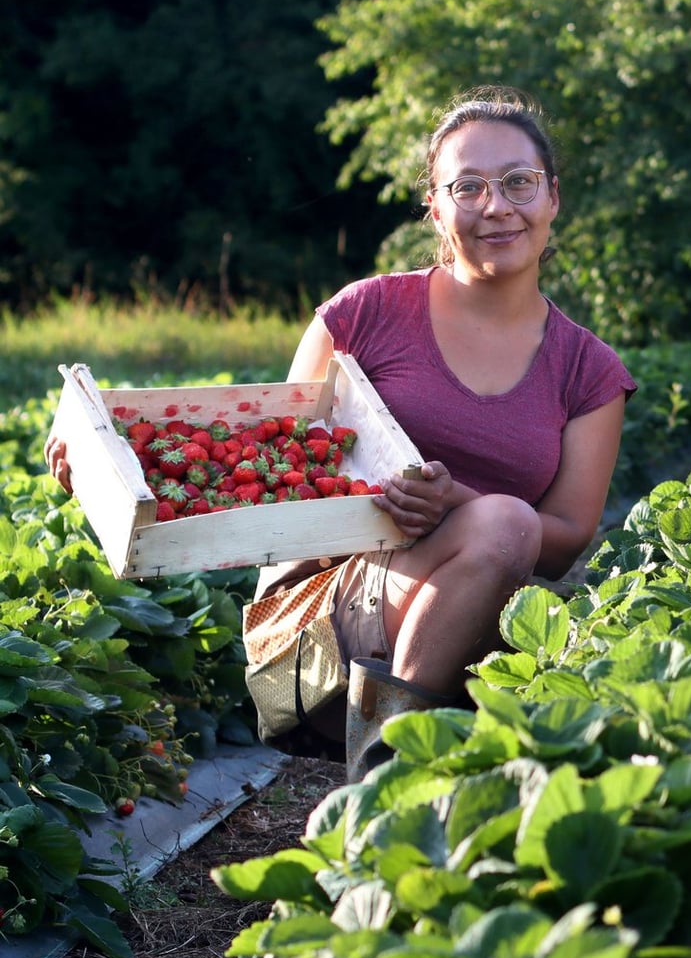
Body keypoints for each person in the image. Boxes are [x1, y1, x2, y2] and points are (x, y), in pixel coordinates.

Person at [47, 87, 635, 778]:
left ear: (553, 196)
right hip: (320, 637)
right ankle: (385, 771)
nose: (496, 206)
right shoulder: (365, 315)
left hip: (489, 636)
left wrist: (458, 502)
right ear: (436, 207)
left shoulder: (588, 370)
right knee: (506, 521)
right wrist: (111, 469)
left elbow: (563, 540)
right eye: (467, 186)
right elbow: (273, 458)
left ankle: (392, 751)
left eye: (518, 183)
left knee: (507, 526)